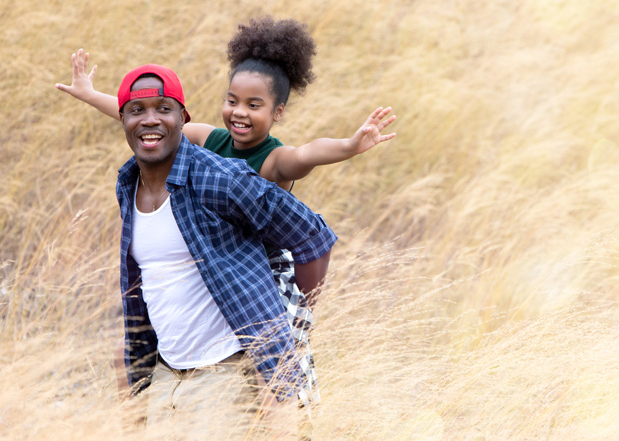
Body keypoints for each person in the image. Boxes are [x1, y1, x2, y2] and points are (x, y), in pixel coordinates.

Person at [56, 16, 396, 414]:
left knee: (277, 386)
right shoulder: (209, 138)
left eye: (255, 106)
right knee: (124, 354)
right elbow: (151, 120)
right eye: (232, 101)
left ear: (278, 112)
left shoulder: (273, 159)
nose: (239, 113)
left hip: (263, 273)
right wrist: (90, 94)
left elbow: (308, 154)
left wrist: (350, 146)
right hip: (219, 267)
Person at [110, 63, 336, 438]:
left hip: (225, 372)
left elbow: (312, 235)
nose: (150, 120)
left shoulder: (220, 177)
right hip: (168, 374)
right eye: (137, 111)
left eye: (163, 109)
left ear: (183, 118)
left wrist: (296, 317)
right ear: (122, 118)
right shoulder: (127, 183)